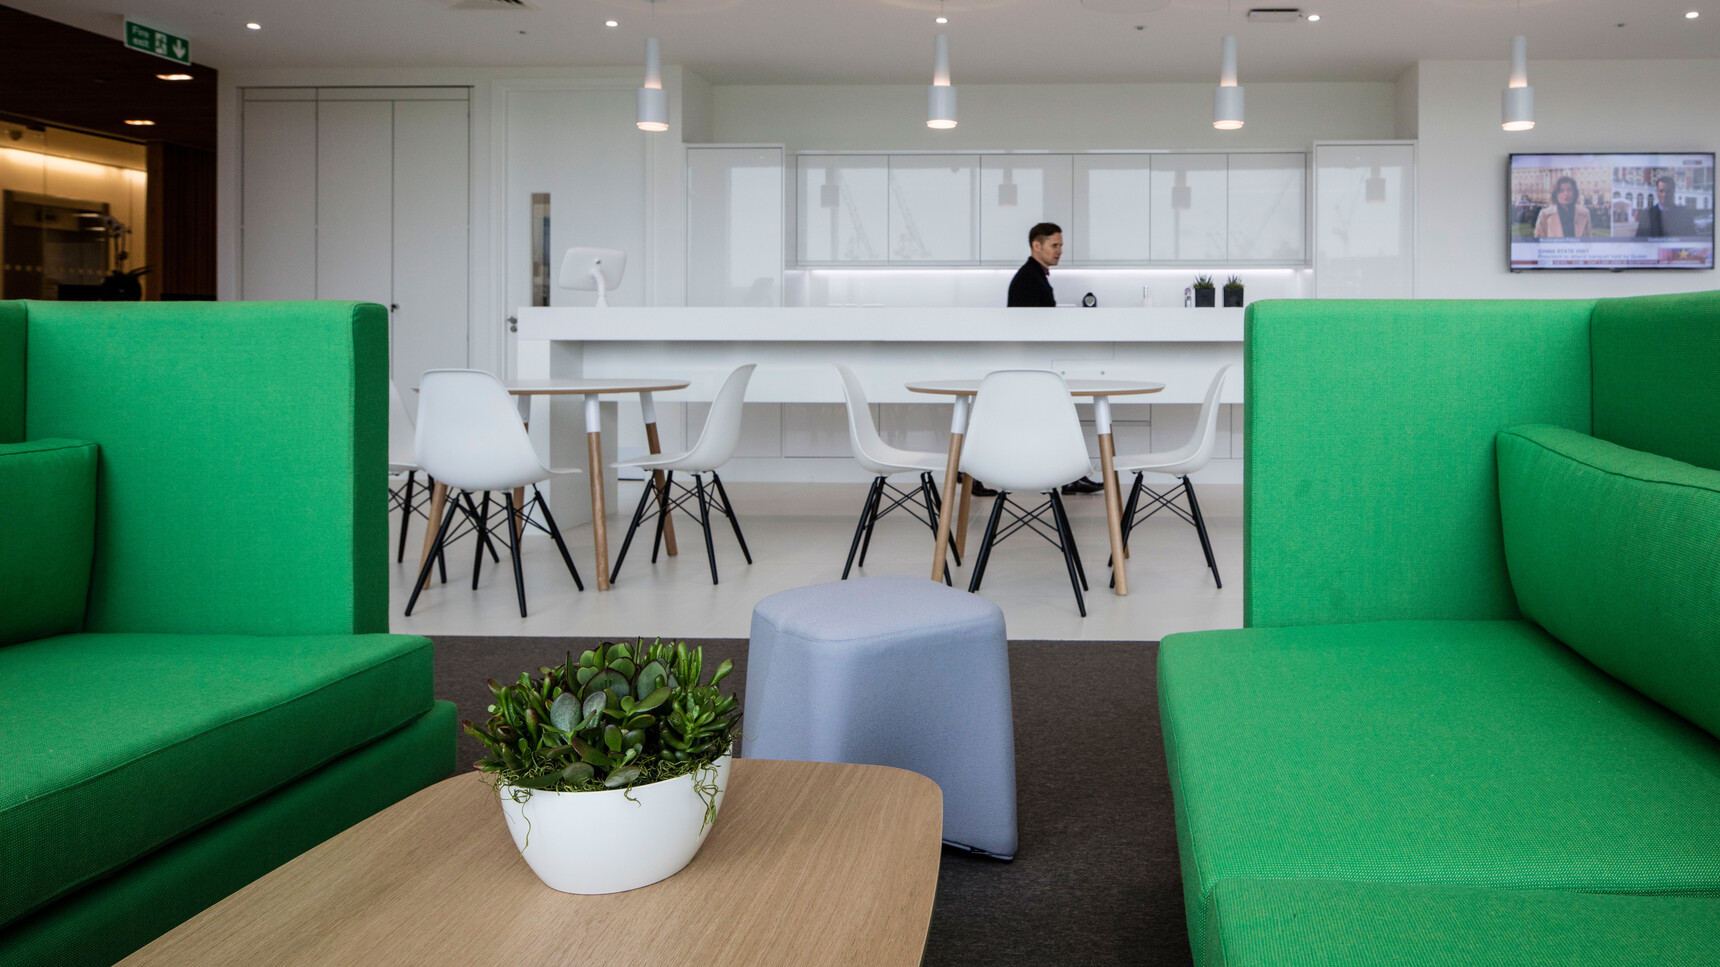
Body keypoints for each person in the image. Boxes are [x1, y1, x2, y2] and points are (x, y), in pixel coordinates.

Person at [1007, 222, 1062, 307]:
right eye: (1054, 246)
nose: (1060, 251)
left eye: (1060, 246)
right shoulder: (1027, 279)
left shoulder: (1034, 274)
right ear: (1037, 246)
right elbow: (1025, 318)